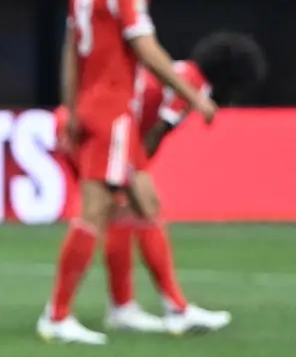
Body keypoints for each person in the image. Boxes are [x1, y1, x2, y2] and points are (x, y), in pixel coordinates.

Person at [39, 0, 216, 345]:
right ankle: (57, 315)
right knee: (95, 212)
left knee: (145, 203)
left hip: (92, 108)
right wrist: (193, 96)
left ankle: (175, 308)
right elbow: (145, 48)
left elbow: (70, 51)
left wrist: (71, 107)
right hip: (113, 112)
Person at [53, 31, 263, 335]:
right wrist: (136, 172)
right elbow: (156, 132)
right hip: (102, 134)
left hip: (87, 127)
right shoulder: (191, 85)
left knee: (123, 213)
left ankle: (123, 308)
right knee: (144, 207)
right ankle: (171, 308)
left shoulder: (182, 71)